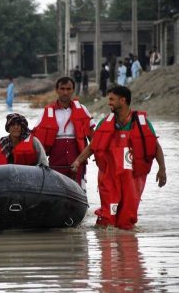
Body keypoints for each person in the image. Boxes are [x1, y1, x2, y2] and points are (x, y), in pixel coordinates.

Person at [71, 86, 166, 230]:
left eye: (112, 99)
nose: (109, 102)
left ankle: (127, 245)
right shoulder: (105, 122)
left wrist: (162, 170)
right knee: (108, 217)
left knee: (126, 219)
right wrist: (78, 161)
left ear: (123, 100)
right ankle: (107, 243)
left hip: (132, 178)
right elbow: (93, 146)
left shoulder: (142, 123)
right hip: (109, 176)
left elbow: (156, 147)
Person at [32, 77, 95, 188]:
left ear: (73, 90)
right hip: (55, 162)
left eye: (68, 89)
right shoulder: (46, 111)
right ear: (57, 90)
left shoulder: (83, 109)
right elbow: (35, 141)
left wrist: (84, 159)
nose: (65, 92)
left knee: (80, 191)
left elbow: (94, 139)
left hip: (78, 160)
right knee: (56, 192)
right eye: (62, 89)